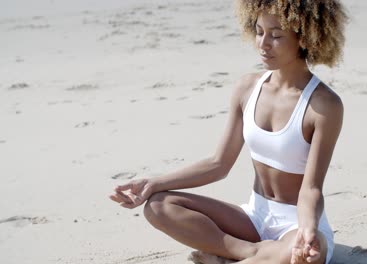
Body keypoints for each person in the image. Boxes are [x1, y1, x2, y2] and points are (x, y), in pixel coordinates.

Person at [109, 1, 348, 263]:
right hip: (254, 218)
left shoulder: (324, 105)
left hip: (296, 224)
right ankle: (248, 254)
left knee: (297, 256)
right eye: (259, 32)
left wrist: (308, 229)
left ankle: (236, 257)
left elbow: (311, 189)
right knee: (158, 206)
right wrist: (155, 183)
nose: (263, 44)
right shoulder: (247, 88)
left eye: (276, 35)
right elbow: (218, 164)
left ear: (305, 37)